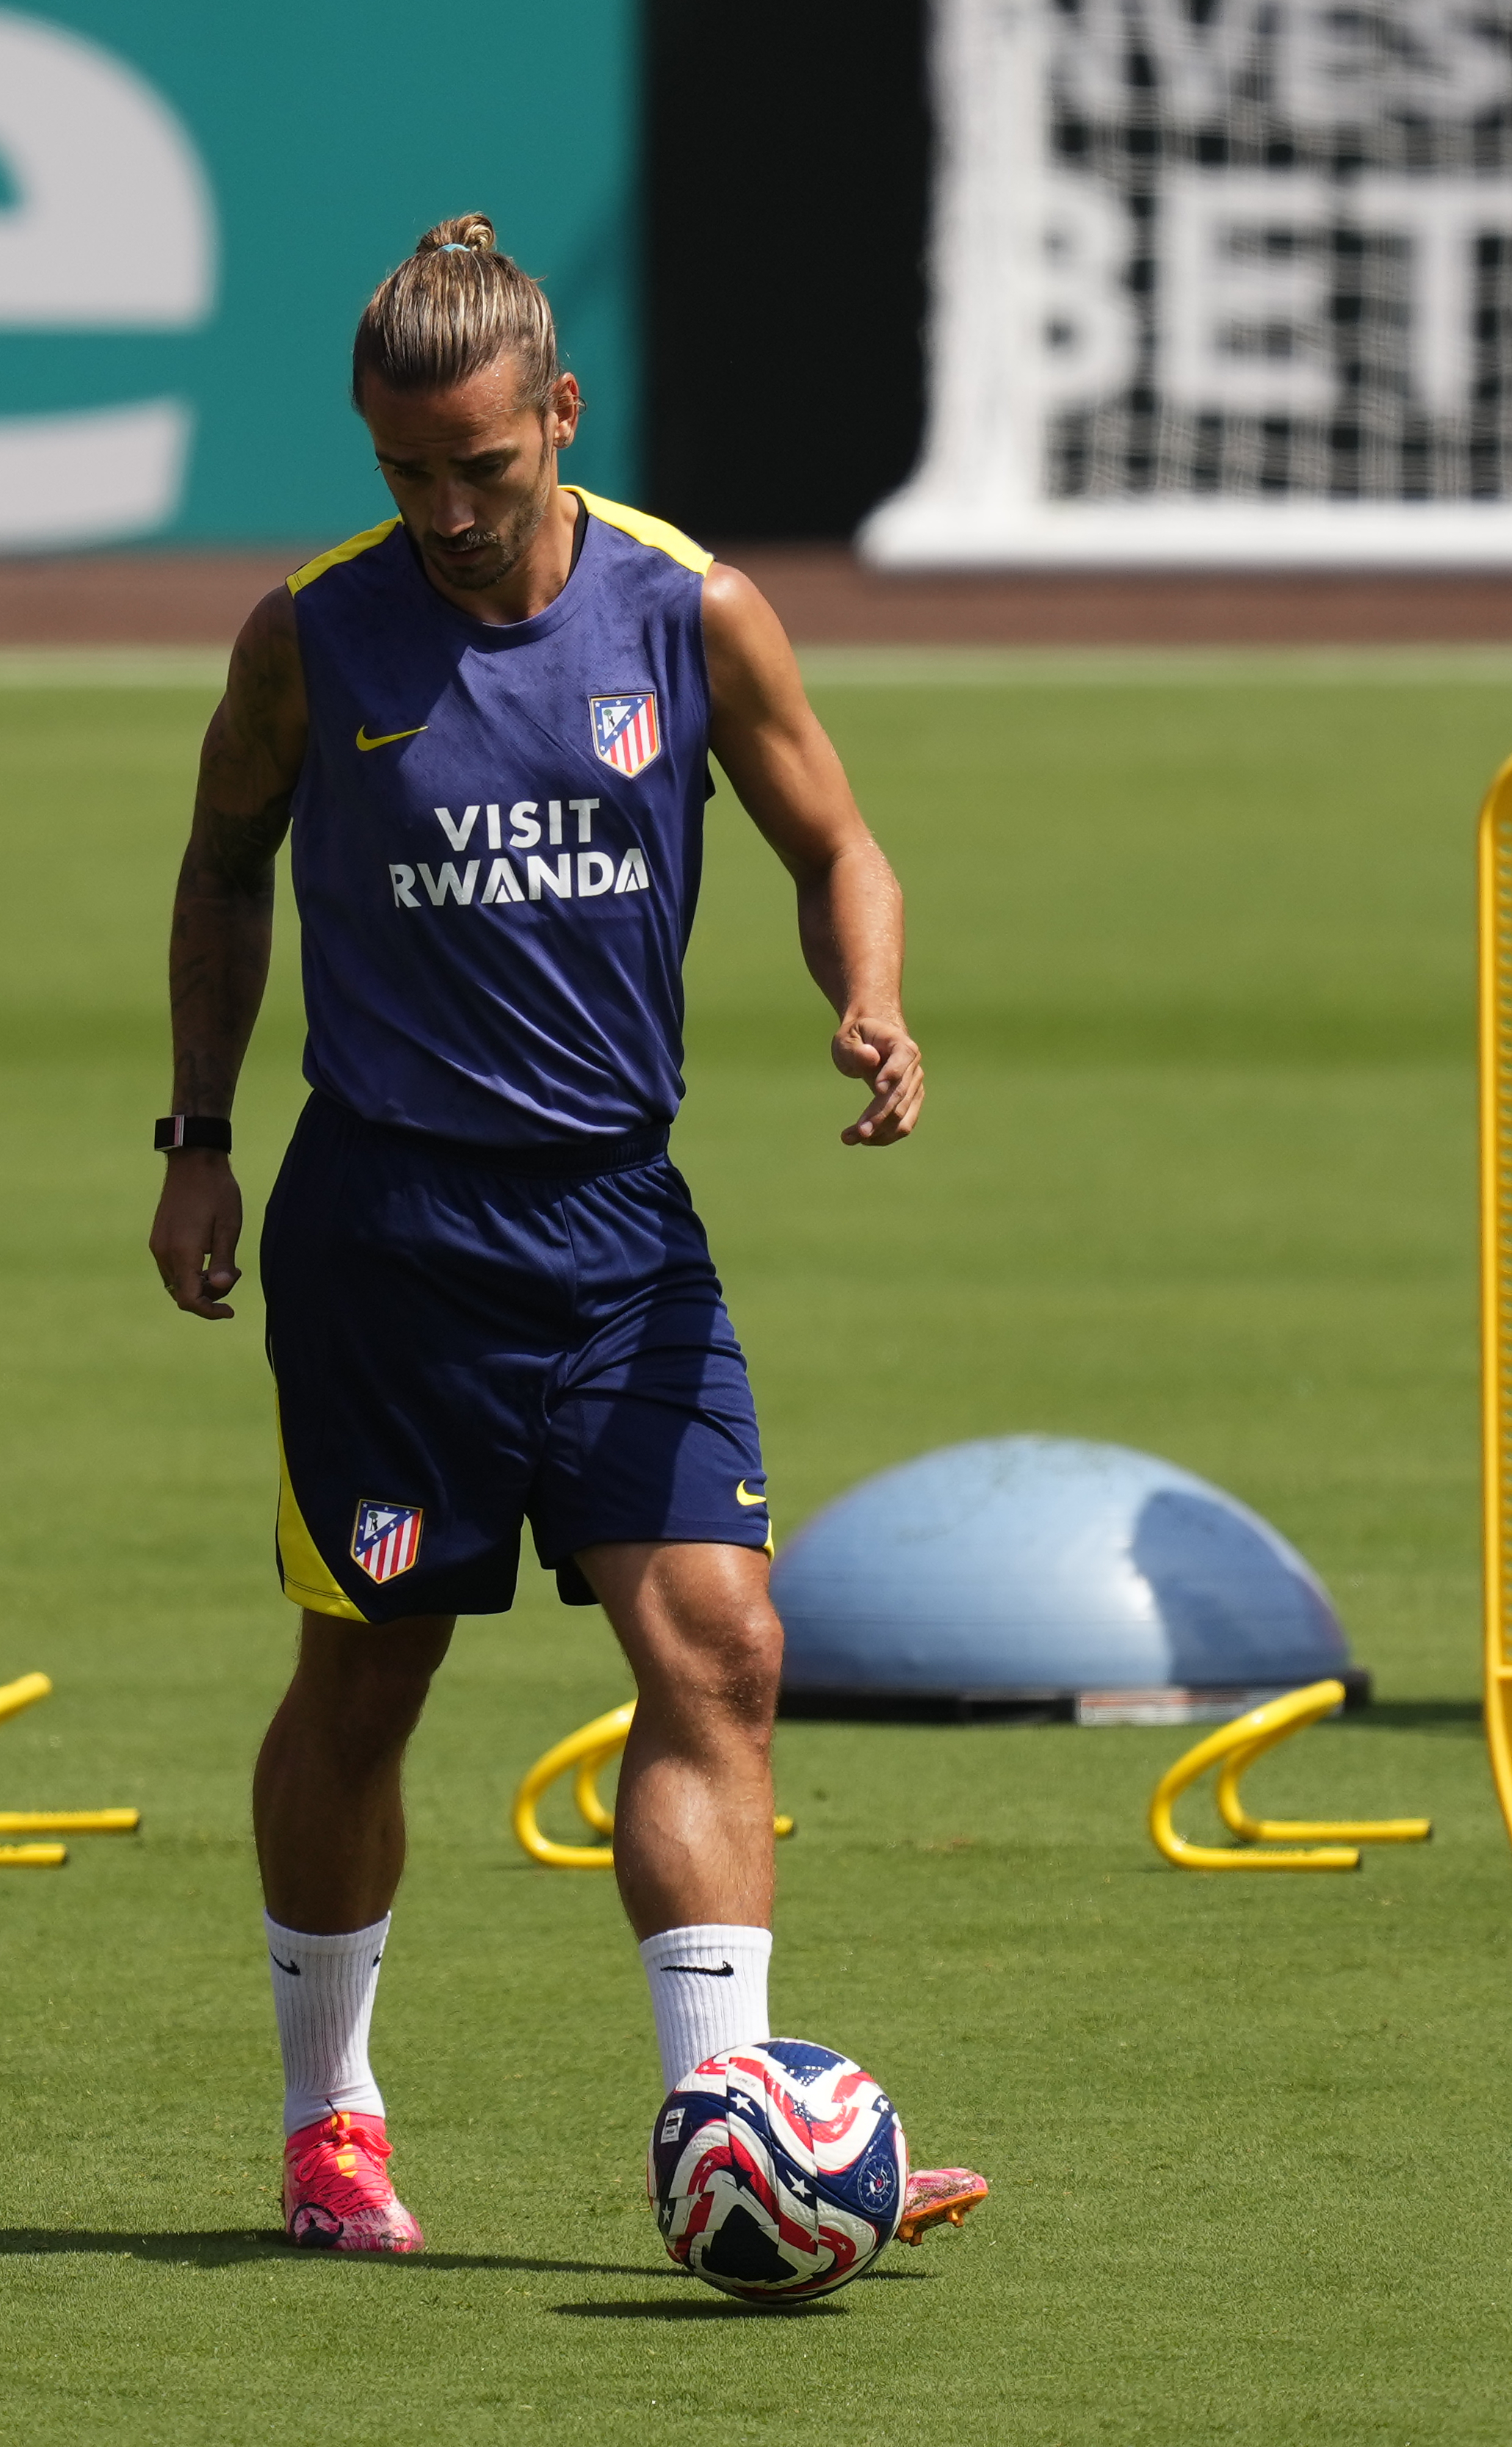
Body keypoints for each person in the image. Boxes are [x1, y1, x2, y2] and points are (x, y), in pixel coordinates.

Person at [147, 212, 987, 2258]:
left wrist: (865, 992)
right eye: (402, 471)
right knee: (370, 1682)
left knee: (723, 1646)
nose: (442, 510)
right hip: (388, 1242)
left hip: (619, 1226)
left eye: (482, 468)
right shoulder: (310, 638)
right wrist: (198, 1139)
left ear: (561, 417)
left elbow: (835, 839)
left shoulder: (689, 614)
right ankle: (327, 2115)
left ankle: (732, 2125)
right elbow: (225, 872)